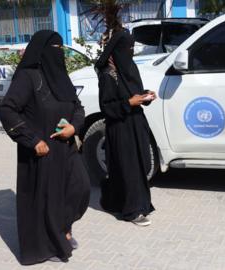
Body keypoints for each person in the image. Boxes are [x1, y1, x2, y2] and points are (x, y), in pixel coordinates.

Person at [0, 30, 90, 265]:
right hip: (42, 152)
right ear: (41, 51)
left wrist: (75, 127)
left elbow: (78, 107)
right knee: (47, 198)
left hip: (67, 148)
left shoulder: (61, 76)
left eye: (61, 49)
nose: (58, 54)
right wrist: (32, 140)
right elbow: (8, 109)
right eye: (54, 49)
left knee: (78, 189)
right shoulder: (28, 77)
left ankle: (63, 228)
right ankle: (50, 244)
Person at [95, 13, 156, 226]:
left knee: (140, 164)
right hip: (120, 127)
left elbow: (135, 93)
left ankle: (139, 203)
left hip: (136, 124)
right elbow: (107, 107)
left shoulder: (129, 67)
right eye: (126, 49)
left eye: (132, 49)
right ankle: (132, 211)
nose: (129, 53)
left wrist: (147, 96)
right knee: (127, 168)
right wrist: (128, 103)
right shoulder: (107, 75)